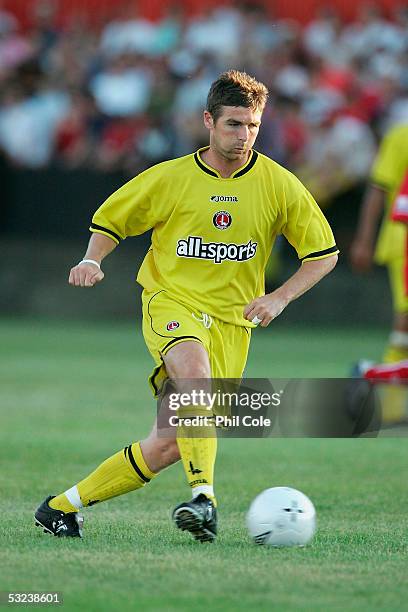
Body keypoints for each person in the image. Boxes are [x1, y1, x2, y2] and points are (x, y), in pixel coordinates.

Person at [34, 70, 338, 542]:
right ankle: (204, 500)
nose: (244, 135)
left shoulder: (279, 184)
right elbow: (113, 220)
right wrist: (91, 259)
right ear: (208, 122)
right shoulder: (171, 177)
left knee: (172, 443)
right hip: (170, 302)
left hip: (233, 326)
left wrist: (280, 297)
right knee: (195, 377)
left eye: (253, 125)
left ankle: (60, 508)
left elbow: (324, 254)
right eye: (234, 124)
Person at [351, 123, 408, 420]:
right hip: (402, 241)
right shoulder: (401, 136)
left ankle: (376, 381)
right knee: (404, 325)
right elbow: (379, 188)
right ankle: (387, 399)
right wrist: (364, 238)